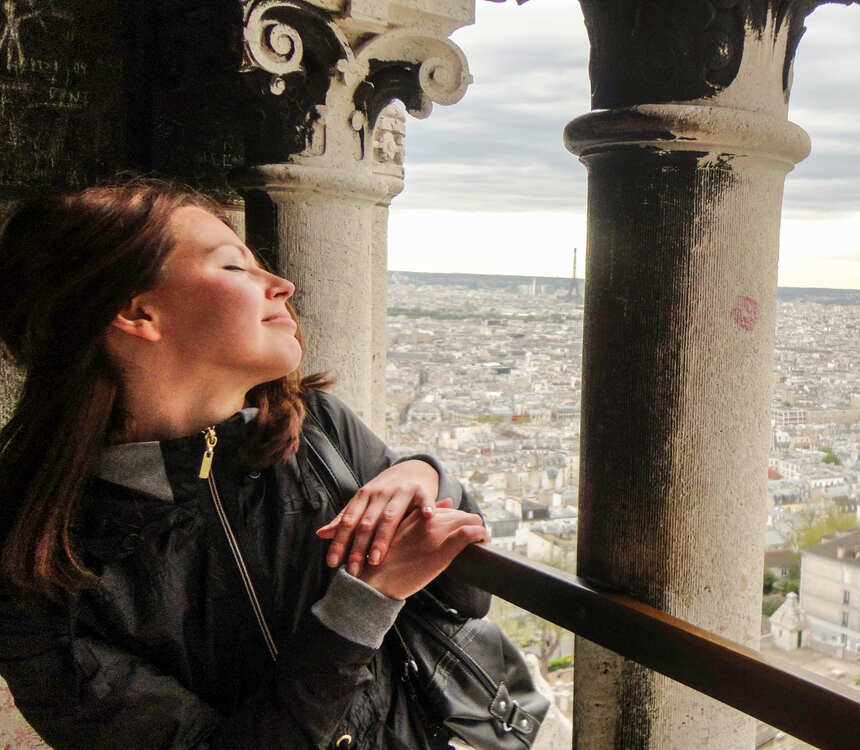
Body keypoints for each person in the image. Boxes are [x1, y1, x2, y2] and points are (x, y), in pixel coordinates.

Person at [0, 180, 493, 748]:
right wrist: (366, 599)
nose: (282, 285)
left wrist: (424, 474)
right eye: (236, 268)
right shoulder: (31, 568)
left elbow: (465, 597)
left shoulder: (317, 430)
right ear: (139, 313)